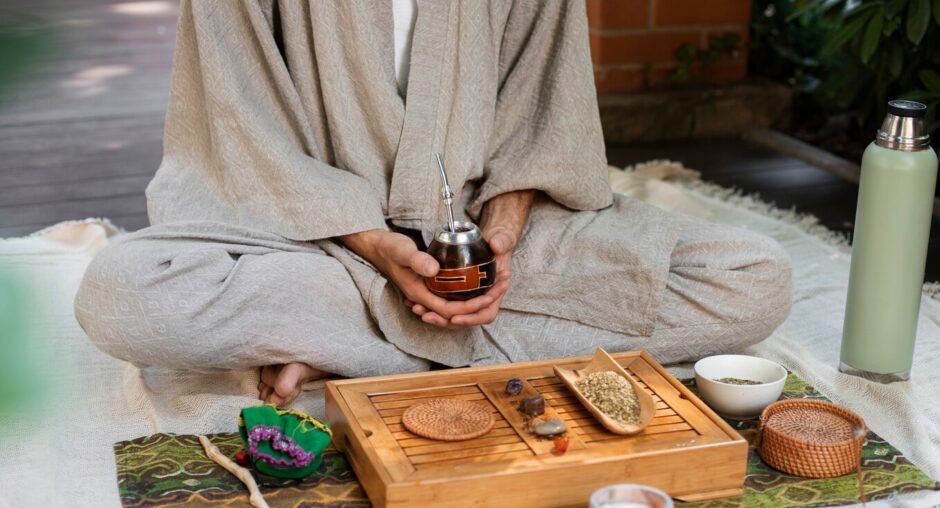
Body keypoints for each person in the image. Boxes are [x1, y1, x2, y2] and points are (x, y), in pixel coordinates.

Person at [75, 0, 792, 407]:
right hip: (309, 237)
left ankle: (346, 354)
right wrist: (373, 245)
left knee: (753, 281)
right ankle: (419, 348)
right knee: (122, 295)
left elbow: (544, 107)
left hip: (486, 233)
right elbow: (238, 127)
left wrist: (504, 235)